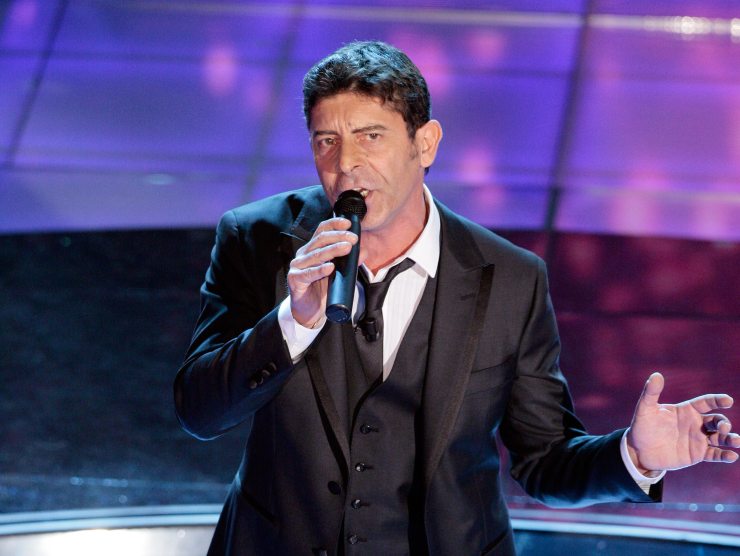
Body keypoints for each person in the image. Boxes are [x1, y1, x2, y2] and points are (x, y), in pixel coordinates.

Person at [174, 41, 738, 556]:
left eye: (371, 136)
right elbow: (199, 412)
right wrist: (292, 322)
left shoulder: (512, 279)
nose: (346, 163)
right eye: (328, 141)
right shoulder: (255, 240)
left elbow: (543, 459)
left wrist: (634, 456)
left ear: (425, 144)